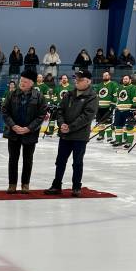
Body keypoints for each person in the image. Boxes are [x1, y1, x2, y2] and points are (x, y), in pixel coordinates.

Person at [44, 69, 98, 198]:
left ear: (88, 81)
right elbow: (60, 110)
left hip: (79, 136)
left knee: (77, 162)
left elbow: (86, 117)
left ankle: (76, 187)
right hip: (65, 135)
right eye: (76, 79)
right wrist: (61, 123)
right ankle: (56, 185)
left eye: (80, 79)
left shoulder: (92, 97)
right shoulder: (68, 94)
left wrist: (70, 127)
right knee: (60, 161)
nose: (77, 81)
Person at [1, 70, 48, 194]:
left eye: (25, 81)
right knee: (13, 159)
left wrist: (28, 128)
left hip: (30, 133)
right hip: (13, 133)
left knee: (28, 160)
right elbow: (5, 111)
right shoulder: (11, 94)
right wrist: (13, 125)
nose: (21, 83)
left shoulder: (39, 96)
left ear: (32, 83)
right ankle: (12, 184)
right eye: (21, 80)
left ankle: (25, 184)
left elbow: (41, 115)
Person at [111, 74, 136, 148]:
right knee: (118, 126)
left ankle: (129, 142)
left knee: (129, 127)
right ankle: (118, 141)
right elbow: (117, 99)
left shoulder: (133, 88)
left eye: (126, 79)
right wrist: (115, 106)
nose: (125, 80)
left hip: (128, 110)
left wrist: (133, 108)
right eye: (124, 79)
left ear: (130, 80)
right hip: (119, 110)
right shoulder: (120, 88)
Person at [93, 71, 119, 143]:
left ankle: (109, 136)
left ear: (109, 76)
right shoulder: (99, 85)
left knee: (108, 122)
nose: (105, 77)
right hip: (99, 107)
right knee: (100, 122)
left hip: (108, 106)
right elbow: (96, 95)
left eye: (107, 75)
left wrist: (113, 104)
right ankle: (101, 135)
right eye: (104, 76)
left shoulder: (113, 84)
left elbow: (115, 95)